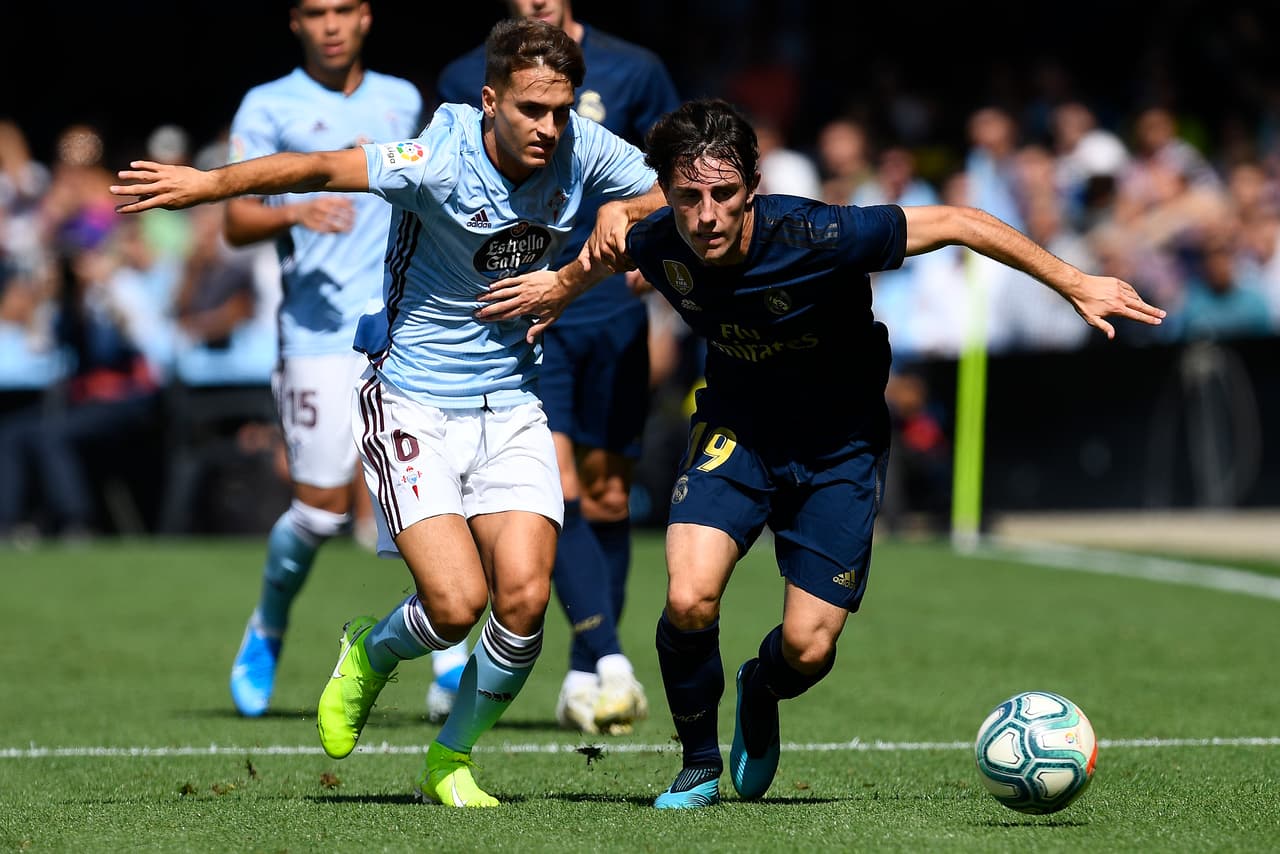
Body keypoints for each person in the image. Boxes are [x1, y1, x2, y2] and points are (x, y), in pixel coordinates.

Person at [476, 98, 1165, 808]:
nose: (706, 215)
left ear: (753, 188)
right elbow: (611, 249)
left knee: (808, 650)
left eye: (723, 195)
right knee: (688, 596)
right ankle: (699, 763)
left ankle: (760, 686)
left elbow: (961, 223)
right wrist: (558, 289)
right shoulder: (662, 239)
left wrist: (1077, 282)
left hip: (840, 445)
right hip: (736, 431)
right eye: (688, 197)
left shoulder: (820, 233)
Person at [113, 17, 662, 807]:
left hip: (510, 402)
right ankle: (370, 651)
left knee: (524, 602)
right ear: (488, 102)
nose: (548, 128)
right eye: (531, 110)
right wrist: (208, 185)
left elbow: (663, 191)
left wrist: (620, 222)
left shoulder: (584, 146)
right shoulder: (437, 157)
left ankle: (450, 759)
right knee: (455, 605)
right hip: (412, 401)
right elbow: (316, 166)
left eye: (561, 111)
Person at [429, 0, 681, 735]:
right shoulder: (462, 73)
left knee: (605, 495)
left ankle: (580, 669)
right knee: (557, 485)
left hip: (608, 308)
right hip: (523, 304)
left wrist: (644, 234)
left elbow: (675, 174)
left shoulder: (637, 69)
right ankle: (608, 657)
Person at [217, 0, 424, 718]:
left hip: (399, 332)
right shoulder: (269, 104)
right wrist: (294, 209)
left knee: (423, 500)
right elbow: (236, 218)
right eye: (315, 12)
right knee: (322, 509)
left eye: (343, 9)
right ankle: (268, 624)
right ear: (295, 23)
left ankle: (454, 660)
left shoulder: (403, 100)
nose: (331, 24)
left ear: (367, 17)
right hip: (314, 336)